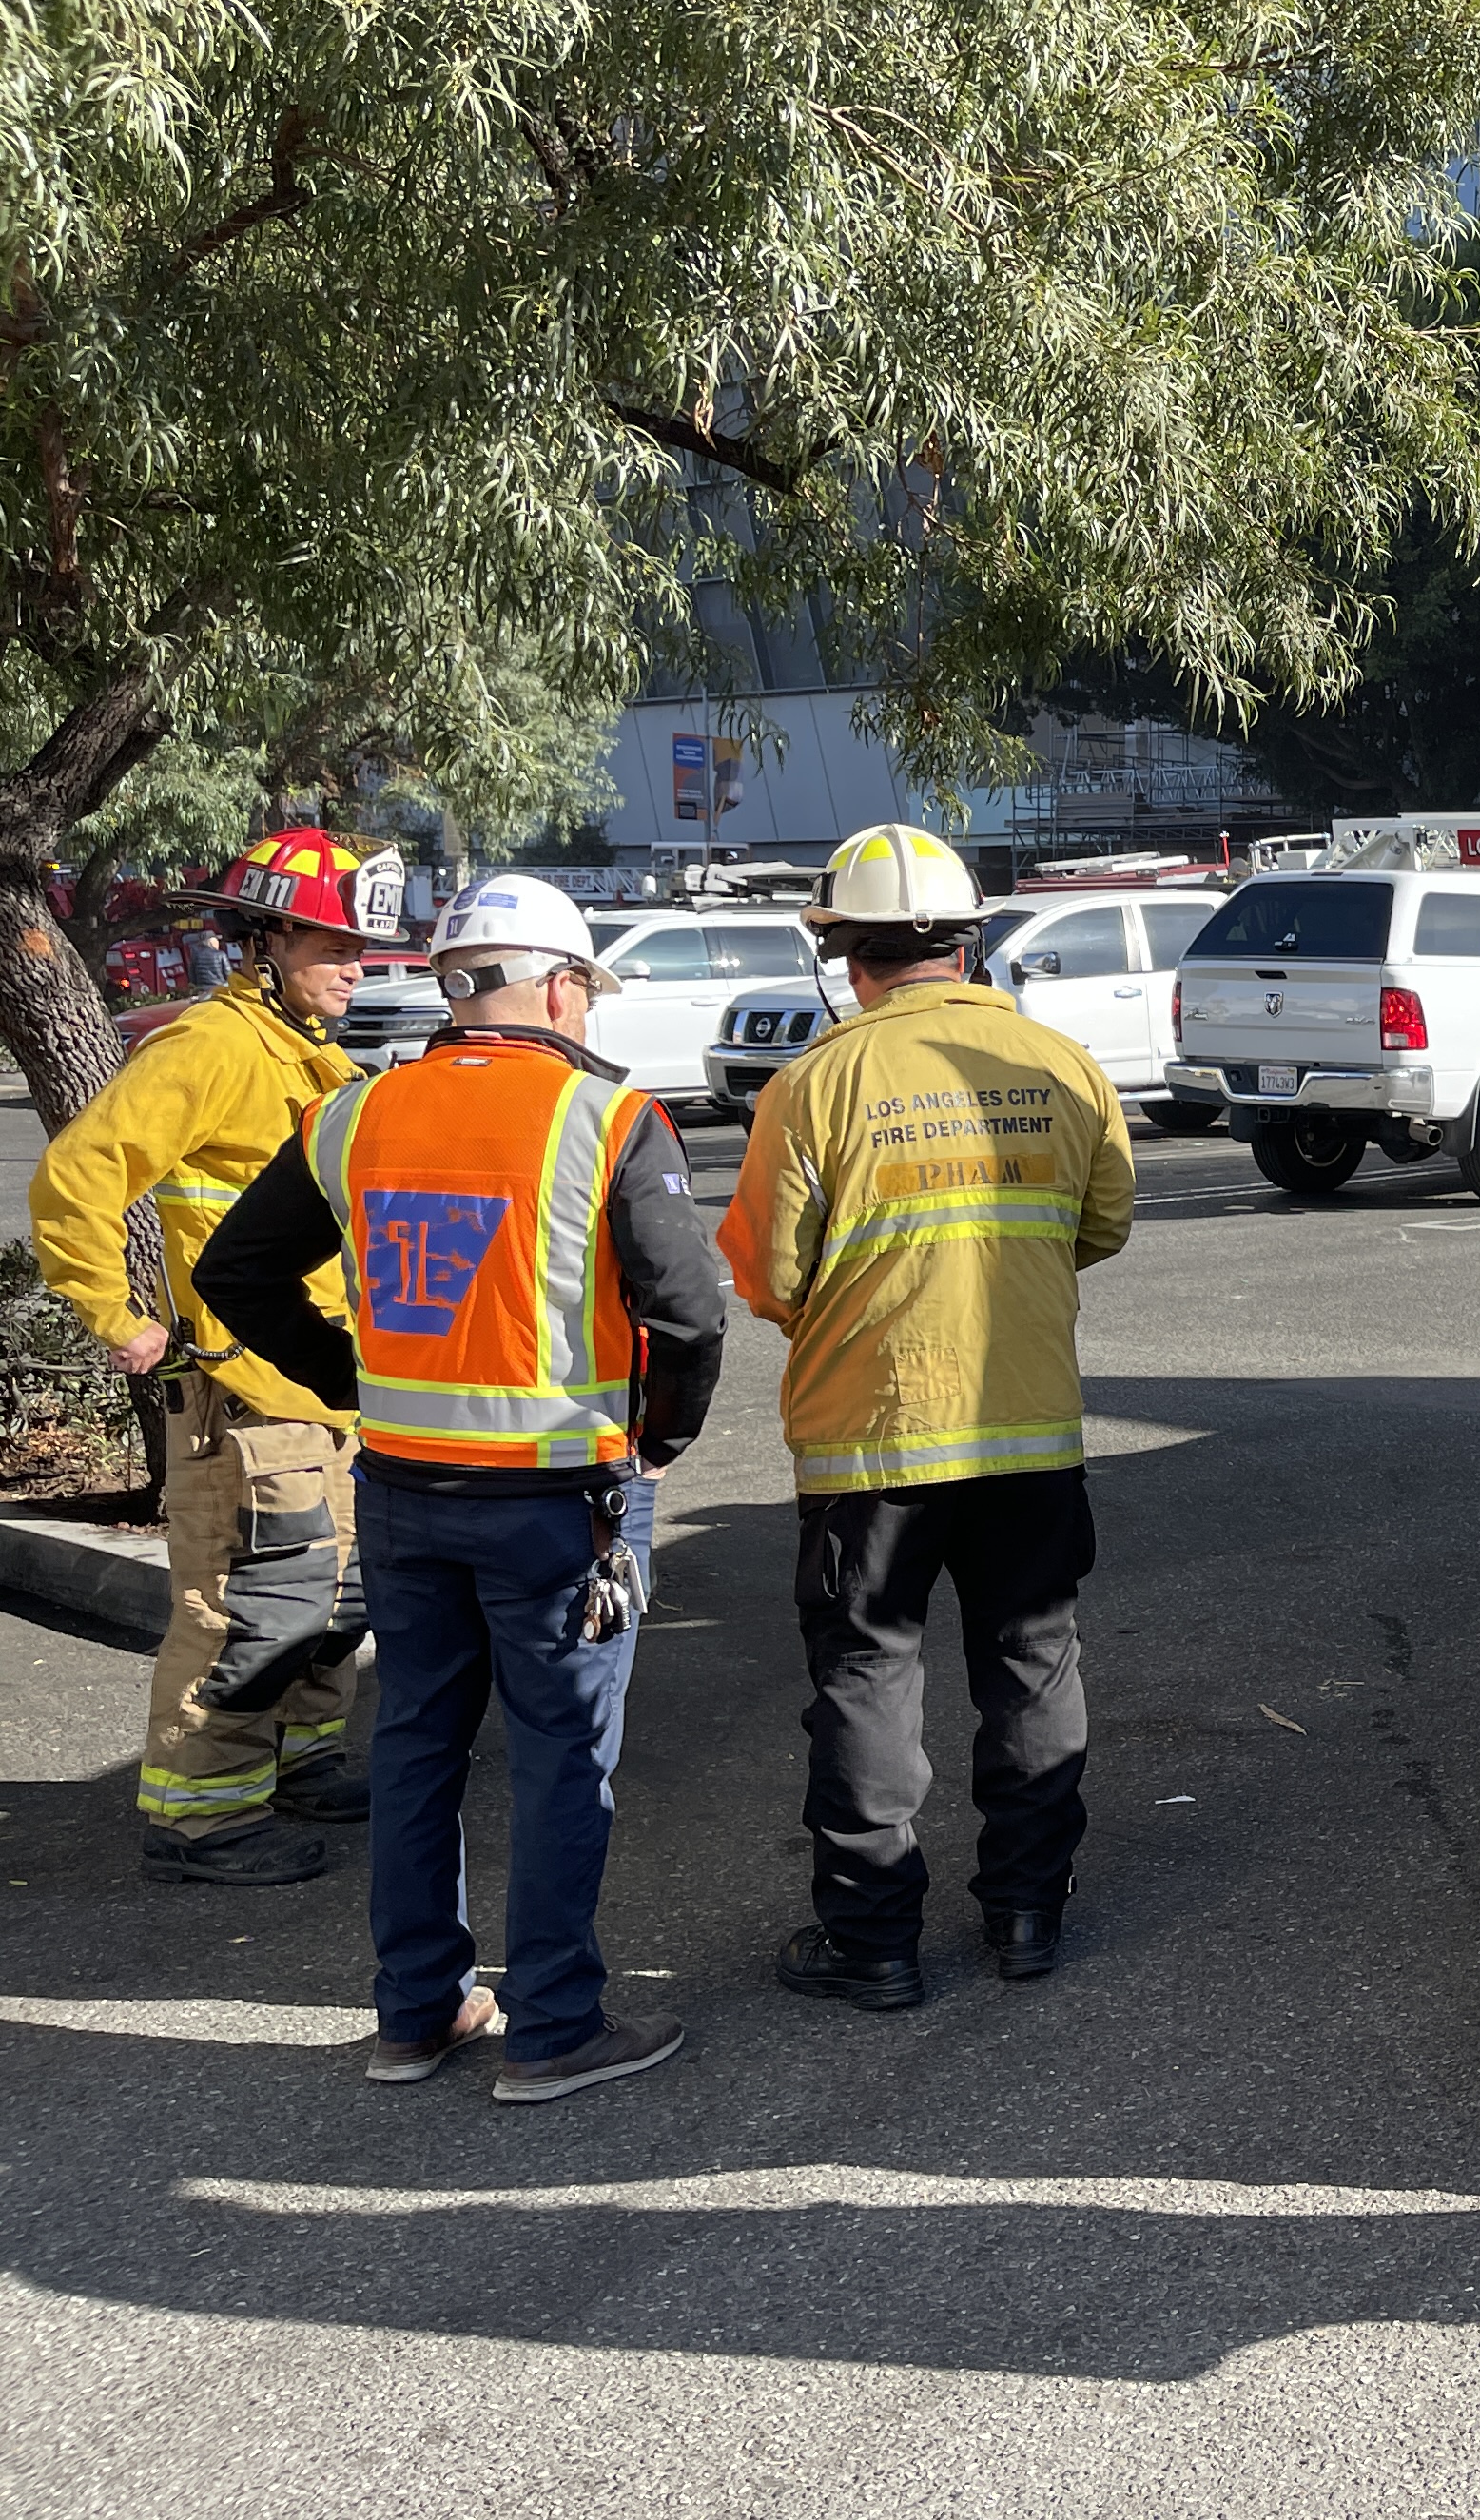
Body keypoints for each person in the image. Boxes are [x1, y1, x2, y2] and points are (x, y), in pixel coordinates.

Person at [198, 871, 726, 2100]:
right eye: (585, 989)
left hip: (401, 1489)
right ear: (553, 984)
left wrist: (355, 1376)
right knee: (559, 1756)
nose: (587, 1012)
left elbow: (239, 1272)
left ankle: (417, 2014)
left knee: (419, 1747)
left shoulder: (355, 1113)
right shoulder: (606, 1119)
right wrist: (663, 1438)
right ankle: (552, 2030)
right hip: (557, 1496)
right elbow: (687, 1314)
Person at [718, 824, 1134, 2011]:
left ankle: (875, 1941)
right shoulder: (1062, 1064)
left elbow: (766, 1273)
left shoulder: (811, 1084)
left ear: (844, 952)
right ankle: (1027, 1912)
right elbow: (1099, 1226)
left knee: (865, 1676)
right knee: (1033, 1661)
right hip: (1031, 1430)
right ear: (968, 943)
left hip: (872, 1439)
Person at [31, 830, 399, 1884]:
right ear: (272, 936)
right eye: (336, 944)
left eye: (359, 947)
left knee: (333, 1596)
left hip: (321, 1387)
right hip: (242, 1390)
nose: (357, 965)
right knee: (249, 1602)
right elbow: (75, 1178)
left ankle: (301, 1764)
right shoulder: (213, 1047)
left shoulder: (309, 1056)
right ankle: (204, 1819)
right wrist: (119, 1317)